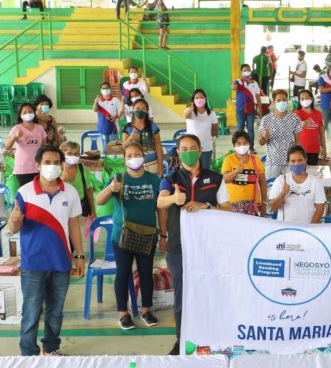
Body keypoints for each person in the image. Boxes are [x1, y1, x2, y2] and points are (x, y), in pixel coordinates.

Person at [6, 145, 85, 357]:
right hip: (33, 264)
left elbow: (74, 225)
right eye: (47, 162)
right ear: (37, 165)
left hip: (61, 261)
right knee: (31, 313)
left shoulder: (71, 192)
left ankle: (50, 348)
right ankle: (29, 353)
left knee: (55, 312)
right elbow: (13, 227)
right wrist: (14, 220)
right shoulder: (24, 193)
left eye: (56, 163)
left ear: (62, 165)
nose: (51, 166)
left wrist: (79, 255)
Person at [157, 134, 230, 355]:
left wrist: (206, 206)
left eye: (193, 147)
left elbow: (229, 210)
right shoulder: (170, 180)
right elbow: (160, 201)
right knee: (182, 294)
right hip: (178, 247)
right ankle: (182, 340)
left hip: (209, 247)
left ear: (200, 150)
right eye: (184, 148)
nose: (189, 151)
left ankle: (211, 337)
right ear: (178, 152)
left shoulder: (216, 178)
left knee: (210, 291)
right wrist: (173, 200)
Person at [95, 142, 162, 329]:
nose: (134, 158)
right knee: (123, 273)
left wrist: (164, 235)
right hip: (122, 235)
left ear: (144, 156)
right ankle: (123, 313)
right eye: (129, 155)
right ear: (124, 160)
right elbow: (100, 201)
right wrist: (110, 189)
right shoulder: (117, 178)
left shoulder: (154, 180)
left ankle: (146, 310)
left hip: (148, 235)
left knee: (146, 273)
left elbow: (161, 209)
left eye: (137, 154)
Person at [268, 146, 327, 223]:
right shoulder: (280, 181)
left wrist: (309, 228)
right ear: (288, 162)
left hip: (307, 229)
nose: (296, 164)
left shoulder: (315, 182)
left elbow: (320, 209)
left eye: (300, 160)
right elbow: (273, 208)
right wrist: (282, 194)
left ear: (305, 160)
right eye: (293, 161)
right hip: (285, 229)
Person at [258, 89, 303, 178]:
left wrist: (298, 158)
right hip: (273, 161)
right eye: (279, 100)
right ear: (274, 101)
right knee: (271, 187)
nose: (281, 102)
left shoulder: (294, 118)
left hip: (290, 160)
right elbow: (261, 142)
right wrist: (263, 137)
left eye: (284, 100)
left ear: (287, 101)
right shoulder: (266, 119)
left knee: (291, 186)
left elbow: (298, 141)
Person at [221, 131, 267, 216]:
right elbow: (224, 179)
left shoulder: (256, 160)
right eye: (238, 143)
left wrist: (264, 203)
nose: (242, 146)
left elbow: (263, 183)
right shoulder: (228, 160)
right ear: (234, 146)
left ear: (249, 144)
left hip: (253, 206)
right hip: (233, 207)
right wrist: (236, 171)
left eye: (245, 143)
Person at [5, 103, 48, 187]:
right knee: (25, 193)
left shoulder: (39, 128)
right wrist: (15, 136)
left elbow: (44, 147)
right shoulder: (16, 128)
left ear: (34, 113)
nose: (27, 114)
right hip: (22, 168)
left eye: (30, 111)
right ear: (20, 115)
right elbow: (7, 146)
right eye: (24, 112)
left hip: (37, 166)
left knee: (37, 192)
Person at [122, 99, 164, 174]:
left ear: (147, 111)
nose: (140, 111)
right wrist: (130, 138)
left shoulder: (152, 126)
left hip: (152, 164)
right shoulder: (128, 127)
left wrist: (160, 165)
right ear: (133, 109)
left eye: (143, 109)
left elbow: (158, 146)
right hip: (133, 165)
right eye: (137, 108)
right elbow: (123, 147)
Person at [184, 89, 220, 170]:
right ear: (193, 100)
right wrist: (192, 107)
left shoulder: (211, 113)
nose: (199, 99)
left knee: (205, 170)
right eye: (196, 97)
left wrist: (205, 136)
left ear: (205, 99)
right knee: (191, 170)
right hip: (191, 148)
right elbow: (186, 115)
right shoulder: (190, 113)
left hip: (206, 148)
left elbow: (215, 130)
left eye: (201, 97)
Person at [59, 142, 94, 221]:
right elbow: (50, 190)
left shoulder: (83, 170)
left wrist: (93, 210)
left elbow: (89, 190)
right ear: (62, 154)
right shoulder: (56, 170)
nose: (73, 156)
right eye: (69, 153)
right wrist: (61, 180)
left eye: (76, 154)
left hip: (80, 207)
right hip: (61, 208)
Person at [232, 64, 264, 144]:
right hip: (240, 109)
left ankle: (251, 146)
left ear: (251, 71)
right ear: (241, 72)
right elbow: (233, 87)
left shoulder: (255, 83)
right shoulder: (238, 81)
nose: (246, 72)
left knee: (250, 128)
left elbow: (258, 97)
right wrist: (234, 82)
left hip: (251, 109)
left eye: (248, 70)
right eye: (244, 70)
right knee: (240, 128)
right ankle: (239, 145)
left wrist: (260, 110)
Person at [294, 89, 326, 165]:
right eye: (302, 98)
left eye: (307, 97)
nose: (305, 100)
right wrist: (301, 123)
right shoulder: (297, 113)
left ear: (312, 99)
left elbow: (321, 133)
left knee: (312, 173)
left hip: (314, 149)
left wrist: (324, 148)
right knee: (300, 173)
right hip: (300, 150)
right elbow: (293, 125)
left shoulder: (318, 114)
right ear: (299, 101)